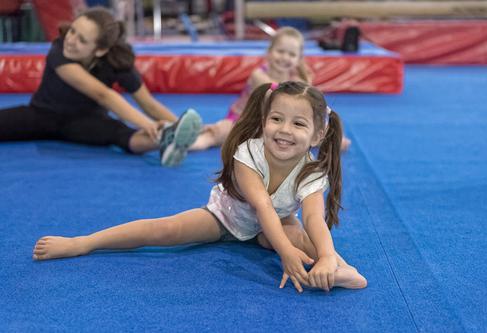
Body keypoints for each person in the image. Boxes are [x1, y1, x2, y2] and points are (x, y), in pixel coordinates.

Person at [32, 81, 367, 293]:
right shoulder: (248, 153)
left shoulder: (310, 170)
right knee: (164, 230)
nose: (284, 130)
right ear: (264, 119)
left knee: (303, 237)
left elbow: (314, 217)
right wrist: (285, 254)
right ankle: (84, 242)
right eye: (276, 119)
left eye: (298, 124)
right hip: (224, 219)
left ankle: (342, 268)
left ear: (318, 135)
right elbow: (262, 205)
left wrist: (320, 256)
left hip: (275, 225)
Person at [0, 6, 201, 167]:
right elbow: (102, 94)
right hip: (41, 115)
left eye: (81, 40)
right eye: (72, 31)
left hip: (85, 122)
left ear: (100, 50)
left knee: (120, 134)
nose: (71, 40)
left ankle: (165, 140)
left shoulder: (118, 64)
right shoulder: (59, 50)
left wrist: (179, 124)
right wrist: (146, 123)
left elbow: (148, 103)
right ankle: (167, 135)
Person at [189, 26, 351, 152]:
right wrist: (304, 85)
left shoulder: (296, 80)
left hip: (273, 127)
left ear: (299, 59)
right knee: (221, 131)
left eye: (291, 54)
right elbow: (278, 95)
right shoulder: (258, 75)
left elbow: (309, 108)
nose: (284, 58)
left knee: (306, 132)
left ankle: (326, 138)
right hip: (242, 121)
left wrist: (324, 128)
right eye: (280, 51)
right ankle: (191, 143)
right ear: (269, 52)